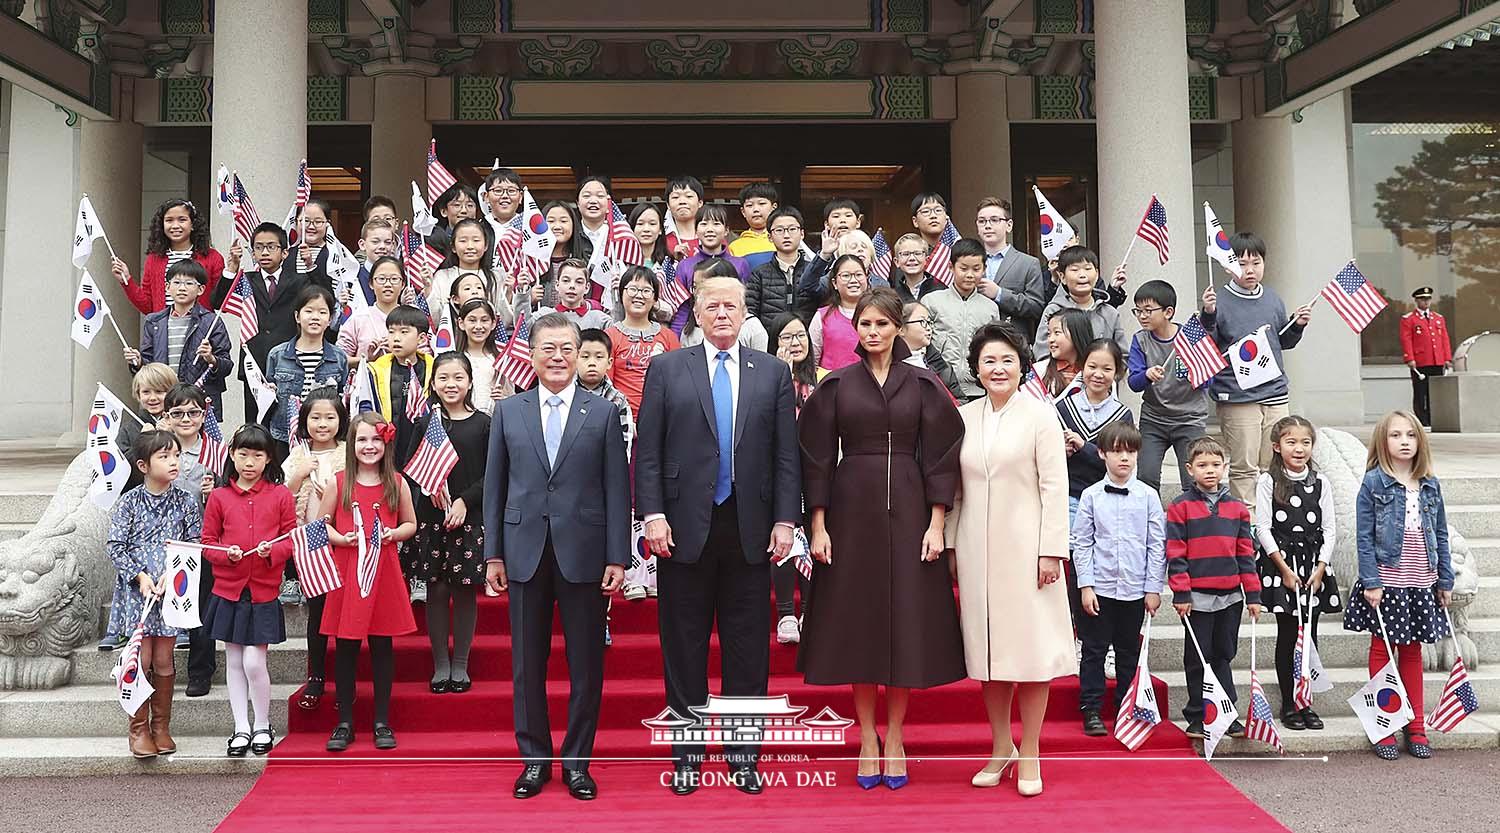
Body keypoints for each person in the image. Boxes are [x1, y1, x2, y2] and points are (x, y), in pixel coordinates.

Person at [635, 277, 801, 796]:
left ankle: (743, 755)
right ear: (697, 313)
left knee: (748, 647)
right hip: (682, 529)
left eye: (732, 305)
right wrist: (652, 515)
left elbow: (784, 454)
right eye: (713, 305)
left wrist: (784, 519)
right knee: (683, 645)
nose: (723, 313)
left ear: (745, 313)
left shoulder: (771, 371)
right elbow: (649, 451)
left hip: (751, 529)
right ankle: (687, 753)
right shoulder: (667, 367)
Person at [799, 287, 966, 790]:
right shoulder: (836, 385)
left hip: (913, 508)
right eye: (865, 324)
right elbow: (817, 457)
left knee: (904, 624)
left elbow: (942, 454)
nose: (872, 332)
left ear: (898, 328)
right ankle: (866, 737)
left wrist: (937, 523)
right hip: (850, 509)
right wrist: (819, 524)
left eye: (882, 324)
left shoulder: (924, 383)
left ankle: (895, 736)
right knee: (860, 625)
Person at [484, 313, 630, 800]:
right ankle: (534, 761)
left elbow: (616, 489)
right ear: (532, 353)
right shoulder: (510, 411)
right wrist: (493, 555)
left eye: (568, 348)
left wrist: (618, 555)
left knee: (586, 663)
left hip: (585, 553)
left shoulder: (603, 412)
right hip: (524, 551)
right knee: (528, 664)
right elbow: (495, 487)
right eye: (548, 348)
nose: (559, 357)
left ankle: (577, 763)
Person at [946, 322, 1074, 796]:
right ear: (976, 369)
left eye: (1007, 360)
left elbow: (1054, 487)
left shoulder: (1041, 416)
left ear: (1022, 366)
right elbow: (955, 490)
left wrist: (1051, 550)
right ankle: (1001, 746)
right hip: (978, 552)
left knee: (1030, 654)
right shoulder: (964, 416)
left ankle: (1032, 750)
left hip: (1028, 551)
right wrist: (953, 543)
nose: (998, 369)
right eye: (989, 361)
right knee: (988, 654)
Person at [1344, 410, 1453, 760]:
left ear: (1420, 441)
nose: (1404, 441)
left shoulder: (1429, 483)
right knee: (1383, 650)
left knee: (1412, 651)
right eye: (1395, 435)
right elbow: (1363, 538)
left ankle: (1416, 724)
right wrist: (1371, 581)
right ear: (1383, 441)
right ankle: (1384, 724)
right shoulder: (1374, 483)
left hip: (1421, 578)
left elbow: (1440, 534)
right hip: (1387, 580)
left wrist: (1445, 579)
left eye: (1410, 435)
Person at [317, 413, 419, 752]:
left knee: (381, 647)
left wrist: (393, 534)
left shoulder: (397, 482)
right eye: (362, 440)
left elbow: (410, 524)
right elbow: (322, 526)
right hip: (350, 571)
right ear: (352, 443)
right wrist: (340, 538)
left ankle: (381, 720)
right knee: (345, 647)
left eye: (376, 439)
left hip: (384, 571)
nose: (369, 446)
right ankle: (344, 720)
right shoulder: (339, 481)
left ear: (386, 443)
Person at [200, 424, 297, 757]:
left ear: (269, 458)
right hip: (228, 589)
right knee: (234, 659)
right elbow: (207, 544)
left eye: (257, 455)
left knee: (255, 661)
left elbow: (291, 541)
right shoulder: (219, 496)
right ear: (232, 454)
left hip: (263, 590)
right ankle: (241, 726)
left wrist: (273, 553)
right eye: (243, 454)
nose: (249, 462)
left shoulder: (281, 495)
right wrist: (225, 554)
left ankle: (262, 723)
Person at [106, 430, 203, 758]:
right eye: (164, 456)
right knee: (141, 658)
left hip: (171, 589)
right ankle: (138, 728)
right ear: (143, 465)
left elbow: (194, 542)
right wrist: (141, 576)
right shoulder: (129, 501)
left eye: (176, 455)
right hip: (138, 592)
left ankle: (162, 726)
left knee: (164, 659)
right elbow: (115, 545)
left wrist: (172, 574)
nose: (173, 461)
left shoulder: (186, 501)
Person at [1199, 232, 1312, 506]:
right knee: (1244, 467)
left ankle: (1272, 525)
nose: (1249, 269)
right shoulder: (1218, 301)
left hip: (1275, 394)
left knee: (1273, 466)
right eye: (1242, 262)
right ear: (1228, 266)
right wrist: (1208, 314)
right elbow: (1206, 347)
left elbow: (1281, 342)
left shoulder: (1273, 299)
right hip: (1237, 396)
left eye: (1256, 262)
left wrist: (1297, 325)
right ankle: (1247, 532)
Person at [403, 353, 491, 696]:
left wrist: (463, 501)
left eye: (457, 378)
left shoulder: (484, 423)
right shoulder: (428, 422)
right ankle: (441, 662)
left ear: (469, 381)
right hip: (431, 518)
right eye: (443, 378)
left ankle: (461, 664)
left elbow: (492, 474)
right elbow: (410, 466)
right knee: (436, 590)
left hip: (470, 518)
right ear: (433, 383)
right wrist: (431, 489)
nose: (450, 385)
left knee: (464, 590)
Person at [1069, 422, 1165, 737]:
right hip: (1100, 586)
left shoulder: (1149, 496)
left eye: (1130, 452)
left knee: (1127, 651)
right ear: (1102, 454)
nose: (1124, 458)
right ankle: (1092, 708)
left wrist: (1153, 588)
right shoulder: (1092, 496)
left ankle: (1126, 706)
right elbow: (1082, 542)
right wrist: (1086, 585)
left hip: (1135, 589)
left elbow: (1156, 544)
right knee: (1095, 649)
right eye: (1116, 451)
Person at [1167, 435, 1259, 741]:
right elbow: (1176, 554)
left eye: (1216, 465)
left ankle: (1226, 711)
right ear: (1190, 469)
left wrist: (1253, 595)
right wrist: (1181, 593)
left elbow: (1246, 553)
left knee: (1223, 654)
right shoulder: (1181, 507)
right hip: (1197, 599)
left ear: (1225, 468)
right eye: (1203, 465)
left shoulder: (1237, 509)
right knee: (1198, 657)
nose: (1210, 470)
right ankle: (1197, 714)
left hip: (1231, 596)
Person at [1254, 415, 1340, 731]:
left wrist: (1320, 568)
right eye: (1291, 442)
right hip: (1284, 565)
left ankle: (1307, 702)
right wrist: (1284, 569)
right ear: (1277, 447)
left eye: (1305, 442)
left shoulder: (1321, 482)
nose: (1299, 448)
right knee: (1289, 634)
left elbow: (1329, 528)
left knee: (1310, 635)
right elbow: (1263, 527)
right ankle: (1289, 703)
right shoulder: (1268, 481)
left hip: (1314, 565)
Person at [213, 221, 335, 424]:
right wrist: (231, 269)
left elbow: (326, 298)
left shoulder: (298, 280)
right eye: (259, 248)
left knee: (288, 425)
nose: (265, 252)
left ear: (285, 253)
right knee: (256, 427)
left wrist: (311, 266)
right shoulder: (246, 280)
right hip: (254, 363)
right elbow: (218, 302)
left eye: (271, 247)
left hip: (288, 363)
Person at [283, 391, 348, 711]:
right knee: (318, 613)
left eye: (330, 417)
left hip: (344, 542)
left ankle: (346, 680)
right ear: (304, 421)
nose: (322, 423)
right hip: (310, 544)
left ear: (341, 420)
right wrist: (298, 474)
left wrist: (333, 495)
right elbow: (284, 499)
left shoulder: (349, 453)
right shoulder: (297, 454)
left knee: (346, 614)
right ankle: (317, 675)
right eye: (315, 417)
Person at [1127, 279, 1210, 494]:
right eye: (1138, 311)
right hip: (1154, 419)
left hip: (1189, 418)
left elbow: (1209, 379)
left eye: (1148, 310)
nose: (1142, 316)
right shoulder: (1140, 340)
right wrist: (1146, 374)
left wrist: (1195, 371)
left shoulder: (1190, 337)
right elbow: (1133, 383)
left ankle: (1193, 523)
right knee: (1146, 476)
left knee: (1193, 479)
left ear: (1168, 312)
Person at [160, 385, 218, 692]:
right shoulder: (158, 448)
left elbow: (233, 490)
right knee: (163, 608)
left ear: (203, 414)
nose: (186, 418)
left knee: (200, 608)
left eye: (193, 412)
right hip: (165, 540)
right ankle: (158, 669)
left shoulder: (216, 452)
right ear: (167, 417)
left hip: (201, 541)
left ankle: (200, 671)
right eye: (178, 413)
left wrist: (216, 488)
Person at [124, 260, 232, 419]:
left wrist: (211, 358)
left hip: (198, 402)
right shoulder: (154, 321)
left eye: (189, 283)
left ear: (201, 289)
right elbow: (147, 366)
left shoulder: (211, 322)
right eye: (177, 282)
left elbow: (227, 366)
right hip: (164, 399)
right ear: (167, 287)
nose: (182, 288)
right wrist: (138, 361)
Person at [766, 313, 817, 640]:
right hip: (778, 472)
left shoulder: (823, 379)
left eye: (800, 336)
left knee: (813, 540)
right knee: (784, 535)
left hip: (815, 470)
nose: (795, 343)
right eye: (786, 337)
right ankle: (786, 613)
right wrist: (781, 376)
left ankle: (810, 614)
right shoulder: (765, 378)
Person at [265, 285, 349, 455]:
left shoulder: (339, 357)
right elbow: (267, 403)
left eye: (322, 312)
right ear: (297, 316)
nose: (315, 317)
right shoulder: (277, 355)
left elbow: (343, 400)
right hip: (285, 436)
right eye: (309, 311)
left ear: (330, 318)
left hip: (325, 439)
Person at [113, 198, 225, 315]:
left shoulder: (212, 257)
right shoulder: (154, 259)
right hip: (164, 331)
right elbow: (147, 307)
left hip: (202, 331)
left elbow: (220, 301)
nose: (175, 225)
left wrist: (231, 271)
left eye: (182, 220)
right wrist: (126, 280)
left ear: (193, 224)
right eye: (169, 220)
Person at [925, 238, 1001, 399]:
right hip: (940, 386)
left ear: (984, 269)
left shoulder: (990, 307)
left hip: (979, 388)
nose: (969, 275)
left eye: (976, 269)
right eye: (963, 268)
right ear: (951, 267)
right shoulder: (931, 301)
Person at [606, 266, 680, 417]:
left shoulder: (669, 337)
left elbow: (677, 383)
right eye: (632, 289)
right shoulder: (609, 336)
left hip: (662, 418)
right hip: (621, 419)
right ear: (621, 294)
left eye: (646, 291)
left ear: (655, 299)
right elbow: (606, 385)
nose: (639, 295)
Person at [669, 205, 752, 333]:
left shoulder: (740, 264)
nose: (709, 229)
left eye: (716, 224)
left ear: (726, 230)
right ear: (696, 230)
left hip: (732, 331)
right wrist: (676, 340)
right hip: (695, 331)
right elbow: (682, 309)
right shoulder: (685, 265)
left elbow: (746, 304)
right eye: (703, 224)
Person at [1034, 246, 1126, 359]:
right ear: (1062, 277)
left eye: (1087, 269)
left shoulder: (1109, 313)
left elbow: (1123, 356)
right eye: (1075, 270)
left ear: (1097, 274)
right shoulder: (1053, 311)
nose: (1082, 275)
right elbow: (1042, 354)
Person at [974, 197, 1047, 339]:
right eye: (982, 221)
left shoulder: (1028, 263)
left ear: (1009, 225)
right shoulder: (968, 263)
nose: (987, 226)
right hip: (976, 340)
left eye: (994, 220)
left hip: (1013, 341)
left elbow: (1036, 307)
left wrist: (999, 294)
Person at [429, 217, 516, 323]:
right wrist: (427, 287)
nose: (470, 246)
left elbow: (504, 321)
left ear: (486, 245)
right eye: (463, 241)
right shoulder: (442, 276)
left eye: (476, 240)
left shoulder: (497, 277)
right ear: (453, 247)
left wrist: (509, 293)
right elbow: (435, 320)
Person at [679, 258, 769, 352]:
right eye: (695, 287)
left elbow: (760, 363)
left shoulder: (751, 327)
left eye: (704, 286)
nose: (698, 293)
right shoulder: (689, 331)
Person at [745, 207, 813, 329]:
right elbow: (750, 313)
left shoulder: (812, 271)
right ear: (770, 237)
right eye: (779, 230)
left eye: (792, 229)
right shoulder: (759, 274)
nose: (786, 235)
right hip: (768, 342)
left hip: (805, 340)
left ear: (802, 234)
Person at [338, 256, 405, 370]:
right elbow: (339, 358)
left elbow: (427, 356)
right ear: (371, 284)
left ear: (402, 284)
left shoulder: (412, 317)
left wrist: (400, 353)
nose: (388, 284)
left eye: (394, 279)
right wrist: (367, 360)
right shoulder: (359, 318)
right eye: (381, 279)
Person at [1400, 286, 1453, 428]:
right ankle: (1422, 419)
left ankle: (1433, 417)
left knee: (1434, 392)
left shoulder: (1438, 318)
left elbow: (1444, 339)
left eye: (1428, 299)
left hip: (1437, 360)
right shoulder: (1409, 319)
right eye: (1423, 299)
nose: (1426, 302)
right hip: (1421, 361)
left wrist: (1447, 358)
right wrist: (1409, 358)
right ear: (1417, 301)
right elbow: (1406, 339)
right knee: (1420, 391)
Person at [808, 254, 868, 372]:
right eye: (846, 275)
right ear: (834, 283)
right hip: (832, 385)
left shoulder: (878, 314)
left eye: (858, 275)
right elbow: (812, 362)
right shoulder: (822, 317)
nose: (853, 280)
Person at [577, 328, 635, 451]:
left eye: (599, 357)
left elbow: (624, 442)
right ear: (574, 360)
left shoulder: (618, 400)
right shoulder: (566, 394)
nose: (592, 363)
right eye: (585, 356)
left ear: (609, 363)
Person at [899, 301, 963, 400]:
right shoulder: (886, 366)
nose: (929, 328)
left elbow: (961, 400)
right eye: (922, 322)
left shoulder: (942, 367)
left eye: (929, 323)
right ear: (901, 328)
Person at [456, 298, 507, 415]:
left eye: (484, 320)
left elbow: (511, 395)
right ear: (461, 323)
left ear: (493, 323)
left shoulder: (501, 360)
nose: (478, 326)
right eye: (472, 320)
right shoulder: (454, 359)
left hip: (494, 421)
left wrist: (503, 398)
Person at [535, 259, 613, 330]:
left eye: (579, 282)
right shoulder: (544, 315)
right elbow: (525, 324)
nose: (572, 286)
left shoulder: (598, 318)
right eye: (566, 280)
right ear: (557, 285)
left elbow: (619, 329)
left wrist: (617, 296)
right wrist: (523, 292)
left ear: (587, 287)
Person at [1040, 308, 1091, 399]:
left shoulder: (1094, 372)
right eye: (1049, 334)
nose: (1050, 339)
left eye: (1057, 332)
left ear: (1077, 333)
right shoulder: (1040, 371)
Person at [728, 182, 779, 271]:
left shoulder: (784, 239)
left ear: (773, 208)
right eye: (749, 205)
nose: (756, 209)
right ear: (743, 212)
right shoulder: (734, 247)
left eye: (762, 203)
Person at [350, 218, 398, 306]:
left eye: (387, 242)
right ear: (362, 244)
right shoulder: (353, 278)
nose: (382, 246)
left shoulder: (398, 278)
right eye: (375, 242)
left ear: (393, 245)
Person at [888, 233, 940, 306]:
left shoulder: (940, 292)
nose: (912, 258)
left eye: (917, 253)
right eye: (906, 254)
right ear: (897, 262)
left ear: (927, 260)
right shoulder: (892, 297)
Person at [663, 175, 705, 258]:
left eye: (689, 196)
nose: (682, 201)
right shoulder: (661, 241)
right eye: (675, 197)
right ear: (668, 205)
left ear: (700, 203)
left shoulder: (713, 236)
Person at [630, 202, 670, 268]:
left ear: (660, 229)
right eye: (640, 224)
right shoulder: (622, 263)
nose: (646, 229)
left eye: (652, 224)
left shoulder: (668, 264)